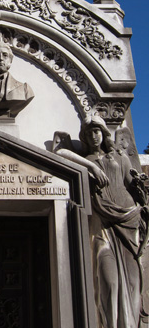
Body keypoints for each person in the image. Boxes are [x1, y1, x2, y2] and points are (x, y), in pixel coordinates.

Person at [57, 115, 148, 328]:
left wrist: (140, 192)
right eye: (89, 133)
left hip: (128, 220)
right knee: (109, 281)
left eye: (97, 131)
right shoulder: (87, 160)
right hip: (102, 226)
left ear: (104, 133)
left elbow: (131, 186)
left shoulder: (121, 158)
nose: (93, 136)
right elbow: (60, 152)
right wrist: (93, 168)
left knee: (133, 283)